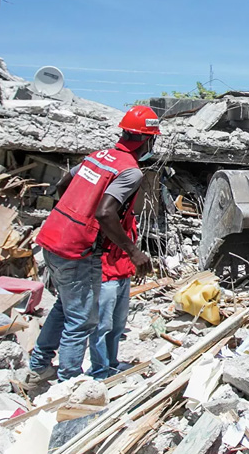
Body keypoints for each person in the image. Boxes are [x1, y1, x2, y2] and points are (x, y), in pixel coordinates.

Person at [27, 106, 157, 383]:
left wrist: (74, 212)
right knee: (82, 320)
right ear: (148, 140)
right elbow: (105, 212)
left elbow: (64, 184)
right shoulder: (130, 172)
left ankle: (39, 365)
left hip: (52, 237)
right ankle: (69, 384)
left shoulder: (97, 157)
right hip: (77, 250)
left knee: (65, 306)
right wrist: (134, 252)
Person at [87, 205, 138, 379]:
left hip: (123, 273)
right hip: (106, 275)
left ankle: (112, 364)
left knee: (117, 326)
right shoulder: (105, 210)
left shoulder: (128, 210)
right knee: (101, 328)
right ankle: (100, 371)